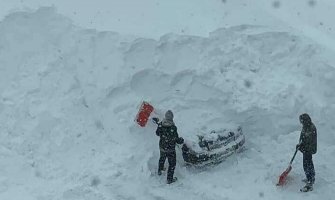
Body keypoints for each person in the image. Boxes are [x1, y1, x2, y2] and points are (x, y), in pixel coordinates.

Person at [156, 110, 184, 184]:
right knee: (172, 164)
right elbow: (176, 139)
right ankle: (169, 179)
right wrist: (181, 140)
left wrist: (159, 126)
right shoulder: (173, 127)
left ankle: (160, 170)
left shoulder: (161, 124)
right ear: (172, 117)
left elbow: (157, 134)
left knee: (162, 158)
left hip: (162, 147)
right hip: (170, 149)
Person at [296, 113, 317, 192]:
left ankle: (310, 183)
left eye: (302, 121)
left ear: (305, 120)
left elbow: (308, 141)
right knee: (308, 163)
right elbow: (302, 137)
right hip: (306, 148)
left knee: (307, 164)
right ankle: (311, 177)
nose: (301, 122)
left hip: (309, 149)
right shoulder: (305, 126)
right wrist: (299, 144)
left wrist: (302, 148)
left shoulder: (311, 128)